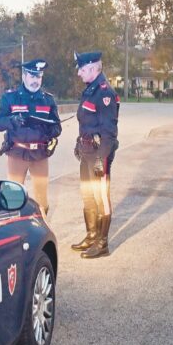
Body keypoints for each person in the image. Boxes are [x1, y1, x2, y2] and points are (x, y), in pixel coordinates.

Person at [0, 59, 61, 216]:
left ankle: (42, 232)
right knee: (13, 198)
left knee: (42, 200)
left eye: (39, 77)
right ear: (24, 76)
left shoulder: (48, 100)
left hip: (40, 155)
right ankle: (16, 232)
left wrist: (46, 130)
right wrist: (13, 121)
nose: (35, 81)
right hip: (17, 154)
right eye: (32, 76)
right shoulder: (10, 98)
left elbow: (57, 127)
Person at [71, 51, 120, 259]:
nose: (79, 74)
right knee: (87, 194)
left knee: (101, 198)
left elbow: (109, 133)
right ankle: (91, 236)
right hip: (87, 151)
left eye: (82, 70)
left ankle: (102, 243)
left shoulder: (104, 93)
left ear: (92, 68)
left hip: (100, 154)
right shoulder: (90, 90)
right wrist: (79, 143)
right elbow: (87, 123)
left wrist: (101, 159)